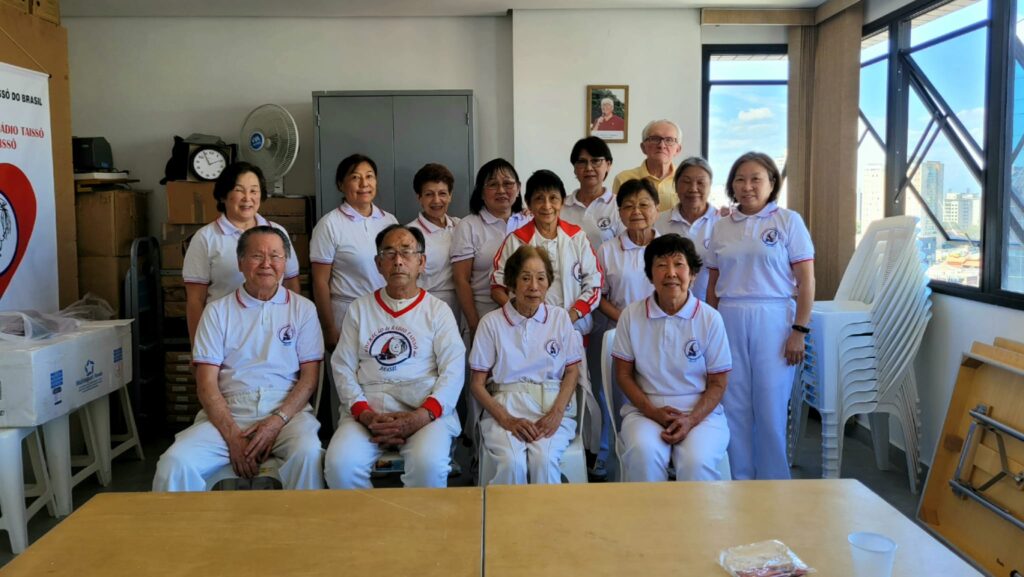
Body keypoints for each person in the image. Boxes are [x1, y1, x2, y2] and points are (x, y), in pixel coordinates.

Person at [154, 226, 323, 491]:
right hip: (229, 410)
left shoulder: (303, 309)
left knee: (308, 453)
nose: (266, 264)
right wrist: (233, 437)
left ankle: (302, 520)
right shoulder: (216, 312)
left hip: (287, 412)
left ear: (285, 263)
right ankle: (182, 522)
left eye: (275, 256)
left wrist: (276, 422)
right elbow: (206, 384)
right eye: (257, 256)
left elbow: (309, 379)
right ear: (240, 262)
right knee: (175, 463)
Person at [324, 225, 465, 489]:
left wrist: (421, 416)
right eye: (389, 253)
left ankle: (416, 520)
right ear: (378, 264)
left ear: (421, 262)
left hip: (424, 412)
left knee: (428, 465)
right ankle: (367, 518)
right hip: (369, 413)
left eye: (406, 252)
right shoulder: (360, 309)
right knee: (340, 466)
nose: (398, 260)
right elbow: (342, 367)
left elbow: (454, 371)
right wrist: (365, 414)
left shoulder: (438, 311)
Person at [705, 152, 815, 481]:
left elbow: (806, 280)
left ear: (771, 183)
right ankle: (738, 480)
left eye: (756, 179)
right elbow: (713, 283)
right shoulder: (721, 226)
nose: (747, 186)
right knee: (733, 404)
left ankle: (774, 484)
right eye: (740, 179)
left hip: (774, 317)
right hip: (729, 317)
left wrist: (799, 330)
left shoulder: (788, 221)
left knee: (770, 406)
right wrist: (710, 331)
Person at [611, 234, 731, 482]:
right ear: (650, 275)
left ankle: (696, 512)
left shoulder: (710, 318)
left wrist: (691, 420)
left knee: (696, 462)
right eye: (661, 265)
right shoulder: (631, 316)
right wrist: (652, 412)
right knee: (644, 455)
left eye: (679, 264)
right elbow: (623, 374)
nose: (671, 273)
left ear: (693, 273)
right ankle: (651, 512)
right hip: (645, 410)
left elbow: (718, 383)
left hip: (701, 413)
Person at [470, 245, 583, 484]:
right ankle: (507, 511)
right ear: (512, 282)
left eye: (541, 278)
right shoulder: (491, 323)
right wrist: (506, 419)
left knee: (544, 460)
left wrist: (556, 414)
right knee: (512, 463)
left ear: (548, 282)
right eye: (525, 278)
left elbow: (572, 371)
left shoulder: (560, 318)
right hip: (505, 408)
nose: (534, 286)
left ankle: (544, 511)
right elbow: (477, 384)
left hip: (551, 407)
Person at [310, 154, 398, 427]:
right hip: (345, 314)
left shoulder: (389, 220)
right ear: (341, 184)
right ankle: (346, 439)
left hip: (384, 315)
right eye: (355, 177)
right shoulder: (330, 224)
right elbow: (320, 282)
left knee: (383, 380)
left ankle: (385, 434)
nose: (364, 184)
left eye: (369, 176)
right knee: (347, 384)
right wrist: (329, 329)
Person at [183, 161, 300, 344]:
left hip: (274, 332)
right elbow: (195, 300)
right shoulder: (205, 238)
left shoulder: (277, 233)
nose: (247, 198)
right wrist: (198, 347)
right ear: (223, 195)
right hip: (225, 333)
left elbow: (291, 283)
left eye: (254, 191)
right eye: (239, 190)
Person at [491, 169, 602, 337]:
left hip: (573, 328)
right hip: (526, 331)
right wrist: (521, 315)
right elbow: (497, 287)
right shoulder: (515, 240)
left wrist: (569, 318)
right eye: (539, 199)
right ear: (528, 204)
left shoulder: (577, 237)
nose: (547, 206)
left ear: (562, 201)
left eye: (553, 198)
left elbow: (594, 285)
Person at [450, 158, 531, 336]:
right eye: (493, 184)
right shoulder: (469, 225)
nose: (501, 190)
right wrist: (474, 324)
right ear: (481, 192)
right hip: (484, 317)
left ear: (518, 188)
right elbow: (461, 280)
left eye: (508, 184)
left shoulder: (529, 221)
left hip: (526, 319)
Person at [656, 157, 722, 302]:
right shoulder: (658, 222)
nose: (693, 188)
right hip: (667, 306)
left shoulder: (722, 223)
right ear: (675, 186)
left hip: (710, 307)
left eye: (700, 182)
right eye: (686, 182)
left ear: (710, 186)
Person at [597, 179, 660, 324]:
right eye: (628, 206)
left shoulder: (669, 249)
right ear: (620, 213)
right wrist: (626, 320)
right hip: (620, 328)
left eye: (643, 205)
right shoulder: (607, 250)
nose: (636, 211)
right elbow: (598, 296)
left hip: (661, 327)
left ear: (657, 210)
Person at [407, 163, 461, 322]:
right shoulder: (410, 233)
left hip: (460, 305)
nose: (437, 200)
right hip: (425, 308)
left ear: (450, 195)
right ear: (419, 198)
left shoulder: (460, 226)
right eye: (429, 194)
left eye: (442, 193)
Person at [562, 136, 622, 250]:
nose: (589, 168)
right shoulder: (561, 205)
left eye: (596, 161)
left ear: (608, 165)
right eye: (582, 162)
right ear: (574, 168)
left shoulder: (619, 205)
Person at [611, 119, 683, 212]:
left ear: (678, 149)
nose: (661, 145)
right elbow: (617, 216)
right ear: (643, 147)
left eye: (669, 140)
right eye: (655, 139)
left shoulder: (685, 180)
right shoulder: (623, 179)